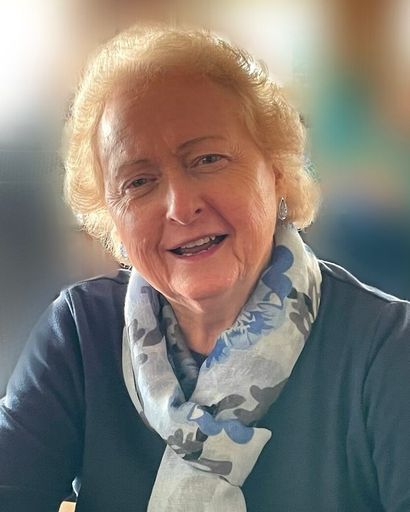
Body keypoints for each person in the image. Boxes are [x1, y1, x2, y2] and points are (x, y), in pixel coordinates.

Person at [1, 25, 409, 512]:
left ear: (277, 171)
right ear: (111, 219)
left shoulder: (387, 347)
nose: (179, 206)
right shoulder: (80, 333)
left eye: (207, 159)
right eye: (138, 182)